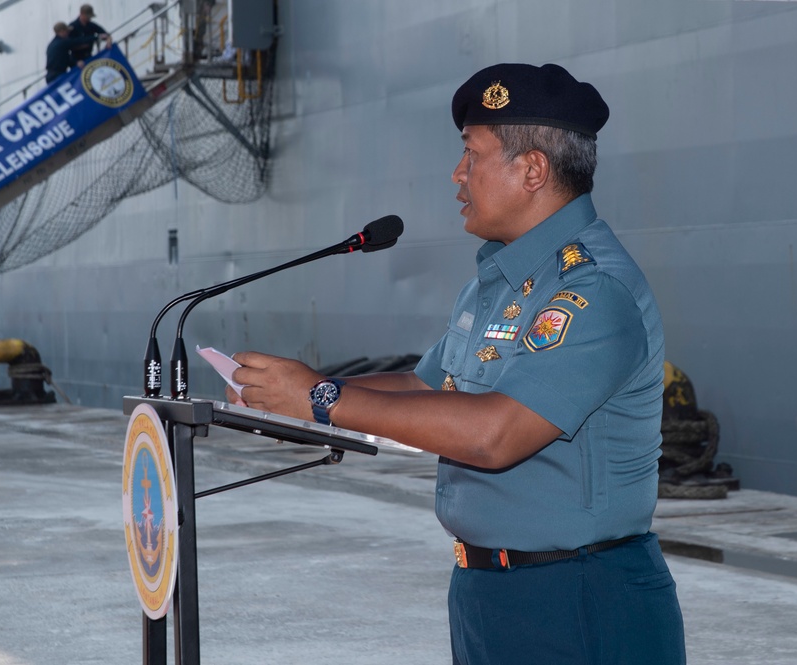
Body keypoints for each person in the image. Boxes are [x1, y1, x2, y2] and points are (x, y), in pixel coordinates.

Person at [225, 63, 686, 664]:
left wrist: (320, 398)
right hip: (487, 595)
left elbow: (496, 434)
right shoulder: (500, 278)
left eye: (472, 154)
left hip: (579, 598)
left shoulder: (593, 292)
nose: (457, 174)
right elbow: (424, 387)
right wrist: (291, 392)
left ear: (533, 170)